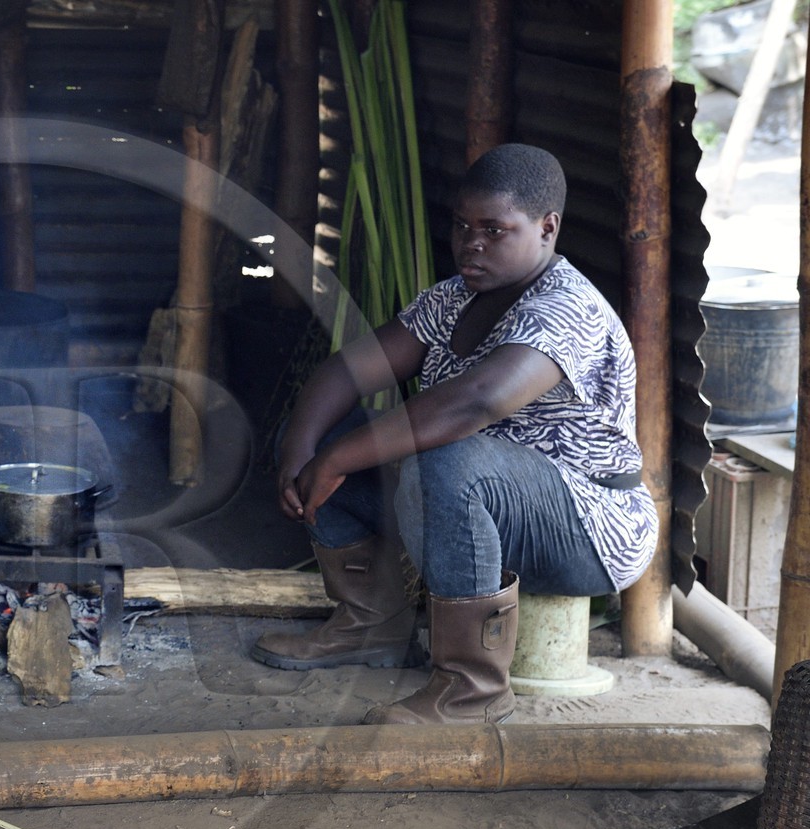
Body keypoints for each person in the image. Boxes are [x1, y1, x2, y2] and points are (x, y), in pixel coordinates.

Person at [251, 143, 656, 726]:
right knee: (321, 429)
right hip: (466, 503)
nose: (472, 242)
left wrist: (338, 458)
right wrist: (302, 448)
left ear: (547, 229)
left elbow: (475, 402)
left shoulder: (568, 309)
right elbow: (348, 370)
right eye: (463, 226)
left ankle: (472, 691)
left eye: (495, 229)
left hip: (588, 528)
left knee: (444, 456)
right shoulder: (454, 299)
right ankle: (370, 624)